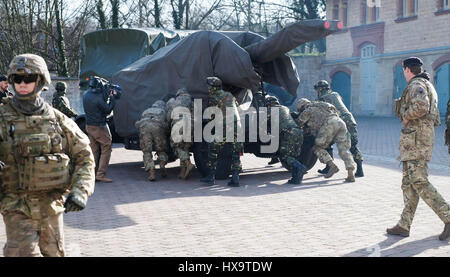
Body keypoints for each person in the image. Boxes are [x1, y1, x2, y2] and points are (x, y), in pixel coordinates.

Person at [0, 53, 95, 256]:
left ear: (41, 80)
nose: (23, 83)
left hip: (51, 205)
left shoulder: (57, 119)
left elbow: (85, 156)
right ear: (11, 81)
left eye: (29, 78)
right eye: (17, 79)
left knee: (55, 252)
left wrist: (80, 191)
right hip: (16, 205)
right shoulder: (2, 118)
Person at [388, 57, 450, 240]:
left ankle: (447, 215)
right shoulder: (425, 84)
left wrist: (406, 116)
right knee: (409, 183)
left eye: (403, 71)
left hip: (417, 141)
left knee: (419, 180)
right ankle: (404, 224)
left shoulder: (417, 85)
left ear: (407, 70)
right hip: (415, 141)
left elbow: (422, 106)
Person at [295, 98, 355, 182]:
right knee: (344, 149)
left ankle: (332, 165)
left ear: (302, 106)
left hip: (329, 124)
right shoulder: (324, 104)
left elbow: (298, 123)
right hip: (340, 123)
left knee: (317, 147)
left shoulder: (308, 110)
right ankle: (350, 173)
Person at [315, 80, 364, 177]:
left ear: (319, 90)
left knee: (326, 143)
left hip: (337, 122)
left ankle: (329, 166)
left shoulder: (322, 98)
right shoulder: (336, 94)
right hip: (350, 120)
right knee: (353, 145)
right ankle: (360, 169)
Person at [200, 77, 243, 187]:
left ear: (213, 87)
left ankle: (210, 177)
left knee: (213, 149)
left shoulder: (214, 97)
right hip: (237, 125)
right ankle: (235, 178)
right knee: (235, 152)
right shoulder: (229, 95)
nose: (207, 88)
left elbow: (211, 115)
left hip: (225, 125)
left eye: (209, 86)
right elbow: (236, 107)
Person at [265, 96, 308, 184]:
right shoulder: (285, 108)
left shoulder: (270, 111)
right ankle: (296, 179)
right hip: (298, 132)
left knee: (285, 156)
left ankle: (301, 167)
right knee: (293, 157)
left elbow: (263, 123)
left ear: (269, 105)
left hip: (288, 133)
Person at [82, 76, 116, 183]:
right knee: (106, 147)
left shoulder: (86, 94)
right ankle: (101, 174)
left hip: (89, 125)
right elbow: (107, 109)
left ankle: (92, 173)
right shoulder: (97, 98)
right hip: (99, 126)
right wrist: (113, 99)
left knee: (94, 150)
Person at [135, 100, 170, 181]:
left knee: (147, 152)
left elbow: (137, 123)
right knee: (161, 150)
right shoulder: (163, 111)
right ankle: (162, 165)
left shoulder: (146, 111)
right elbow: (166, 124)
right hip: (157, 127)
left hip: (144, 127)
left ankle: (152, 174)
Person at [167, 88, 195, 180]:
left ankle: (188, 164)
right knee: (185, 148)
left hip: (178, 123)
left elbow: (169, 116)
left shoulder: (174, 101)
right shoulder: (192, 101)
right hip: (190, 124)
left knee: (176, 147)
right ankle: (183, 172)